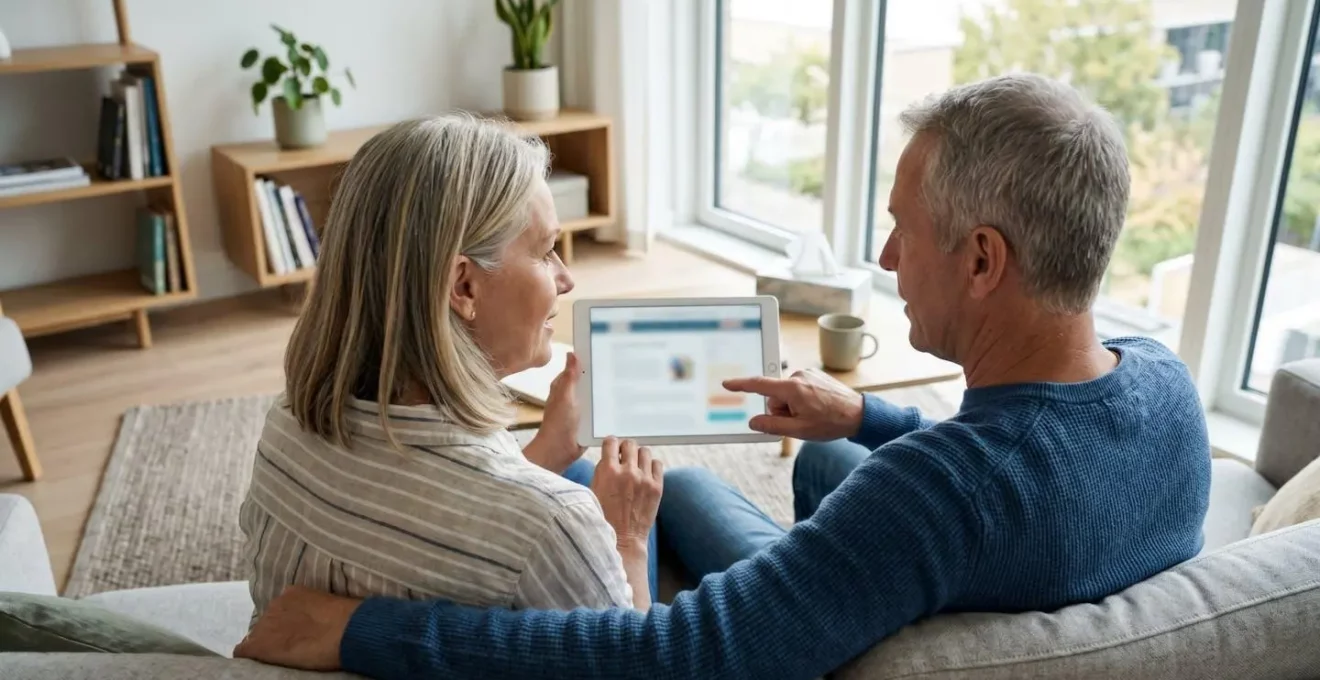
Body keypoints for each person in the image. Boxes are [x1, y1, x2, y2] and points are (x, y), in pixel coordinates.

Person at [234, 74, 1212, 679]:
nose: (882, 255)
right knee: (731, 479)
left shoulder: (927, 502)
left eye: (903, 229)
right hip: (959, 569)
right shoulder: (1169, 388)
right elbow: (1030, 477)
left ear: (984, 261)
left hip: (851, 611)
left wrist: (368, 630)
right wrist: (864, 414)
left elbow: (677, 652)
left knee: (658, 497)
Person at [236, 115, 664, 626]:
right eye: (546, 251)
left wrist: (546, 453)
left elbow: (435, 513)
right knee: (658, 503)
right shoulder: (557, 523)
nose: (565, 278)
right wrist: (627, 539)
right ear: (463, 287)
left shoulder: (285, 425)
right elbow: (639, 661)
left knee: (614, 481)